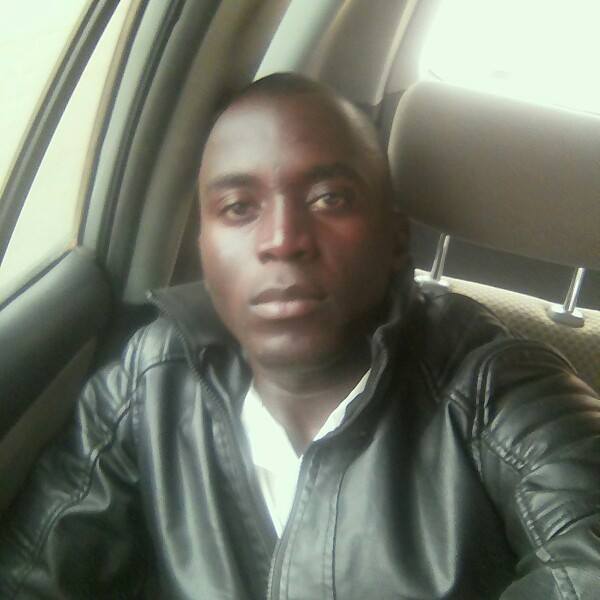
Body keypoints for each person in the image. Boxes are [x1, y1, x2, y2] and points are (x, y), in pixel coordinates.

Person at [1, 73, 599, 599]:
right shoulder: (149, 381)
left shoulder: (493, 387)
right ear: (204, 250)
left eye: (329, 198)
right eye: (239, 207)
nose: (283, 239)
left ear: (396, 241)